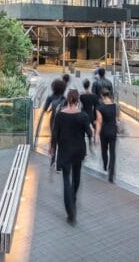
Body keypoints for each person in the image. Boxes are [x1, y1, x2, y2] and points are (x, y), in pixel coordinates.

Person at [51, 89, 92, 224]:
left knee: (66, 180)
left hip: (65, 151)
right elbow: (89, 133)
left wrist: (53, 148)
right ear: (78, 100)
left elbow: (55, 134)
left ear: (68, 100)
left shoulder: (60, 115)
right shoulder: (83, 116)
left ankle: (70, 213)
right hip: (79, 150)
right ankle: (72, 198)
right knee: (77, 176)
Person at [94, 88, 119, 183]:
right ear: (109, 95)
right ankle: (111, 175)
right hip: (113, 130)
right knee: (113, 153)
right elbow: (117, 118)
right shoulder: (115, 106)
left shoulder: (100, 107)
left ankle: (105, 164)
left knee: (104, 150)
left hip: (104, 132)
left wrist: (96, 135)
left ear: (101, 96)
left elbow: (99, 122)